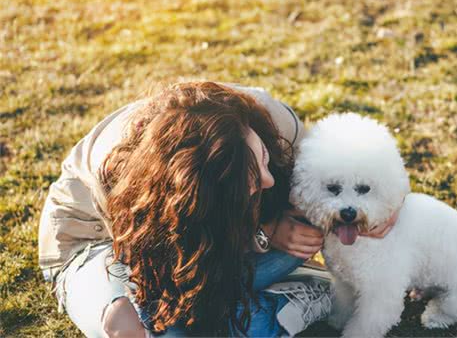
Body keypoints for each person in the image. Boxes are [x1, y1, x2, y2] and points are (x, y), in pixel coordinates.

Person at [38, 81, 397, 337]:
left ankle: (304, 293)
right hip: (103, 241)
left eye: (263, 160)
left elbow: (344, 177)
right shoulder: (127, 179)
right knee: (134, 326)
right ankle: (299, 297)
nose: (270, 182)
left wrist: (388, 208)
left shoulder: (271, 119)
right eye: (251, 183)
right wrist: (263, 234)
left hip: (220, 245)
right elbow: (173, 268)